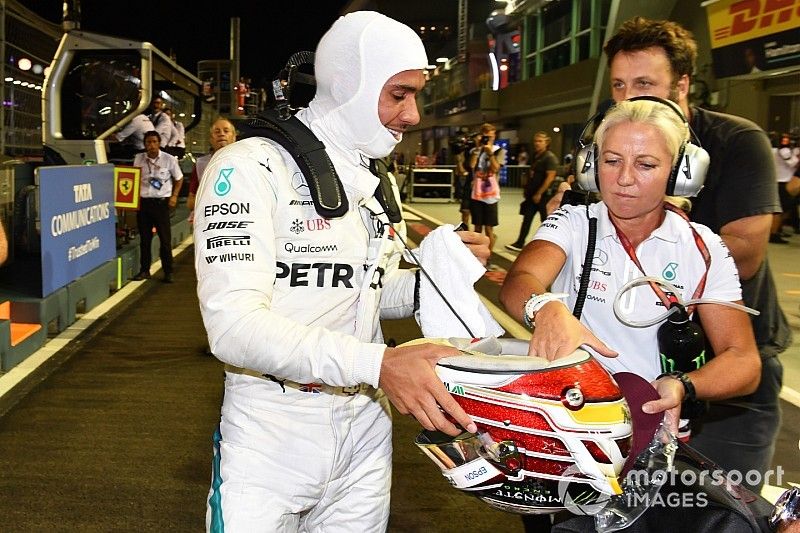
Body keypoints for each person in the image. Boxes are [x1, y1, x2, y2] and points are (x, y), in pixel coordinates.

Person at [193, 11, 490, 531]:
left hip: (366, 432)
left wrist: (436, 279)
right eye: (399, 95)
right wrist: (379, 364)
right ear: (350, 85)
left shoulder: (376, 179)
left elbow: (363, 289)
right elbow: (233, 327)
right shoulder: (247, 167)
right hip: (269, 432)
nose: (413, 114)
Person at [583, 17, 787, 492]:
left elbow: (748, 253)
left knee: (718, 511)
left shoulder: (738, 142)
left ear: (683, 85)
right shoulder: (604, 146)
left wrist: (663, 227)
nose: (630, 98)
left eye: (645, 84)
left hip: (728, 375)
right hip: (631, 373)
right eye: (619, 85)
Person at [500, 97, 761, 447]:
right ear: (591, 166)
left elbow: (743, 360)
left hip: (654, 439)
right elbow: (520, 280)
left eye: (646, 165)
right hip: (570, 429)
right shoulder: (574, 223)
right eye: (611, 161)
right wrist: (543, 308)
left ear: (679, 171)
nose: (624, 179)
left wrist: (684, 385)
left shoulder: (703, 247)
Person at [132, 130, 183, 283]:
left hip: (161, 204)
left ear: (159, 143)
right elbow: (133, 178)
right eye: (148, 142)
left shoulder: (169, 159)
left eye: (154, 142)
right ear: (145, 144)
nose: (152, 145)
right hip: (144, 204)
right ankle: (144, 270)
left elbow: (179, 179)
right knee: (145, 240)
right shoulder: (139, 159)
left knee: (165, 240)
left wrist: (174, 196)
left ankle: (168, 271)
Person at [506, 131, 558, 252]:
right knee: (527, 219)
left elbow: (550, 177)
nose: (537, 143)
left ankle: (549, 247)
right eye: (535, 141)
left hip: (544, 196)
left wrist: (539, 193)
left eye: (540, 141)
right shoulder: (536, 156)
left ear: (547, 142)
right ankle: (519, 242)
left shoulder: (549, 157)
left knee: (546, 221)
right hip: (532, 195)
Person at [185, 117, 236, 221]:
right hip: (210, 223)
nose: (221, 134)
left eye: (226, 131)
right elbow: (190, 203)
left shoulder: (246, 163)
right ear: (211, 138)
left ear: (234, 137)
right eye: (217, 131)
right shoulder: (200, 164)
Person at [469, 122, 505, 253]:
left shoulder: (498, 150)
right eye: (486, 136)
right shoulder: (475, 150)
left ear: (494, 136)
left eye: (491, 136)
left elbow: (496, 168)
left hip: (491, 195)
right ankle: (476, 254)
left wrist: (490, 153)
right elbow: (472, 165)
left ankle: (488, 256)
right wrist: (479, 149)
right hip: (477, 193)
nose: (488, 139)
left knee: (489, 228)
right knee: (477, 227)